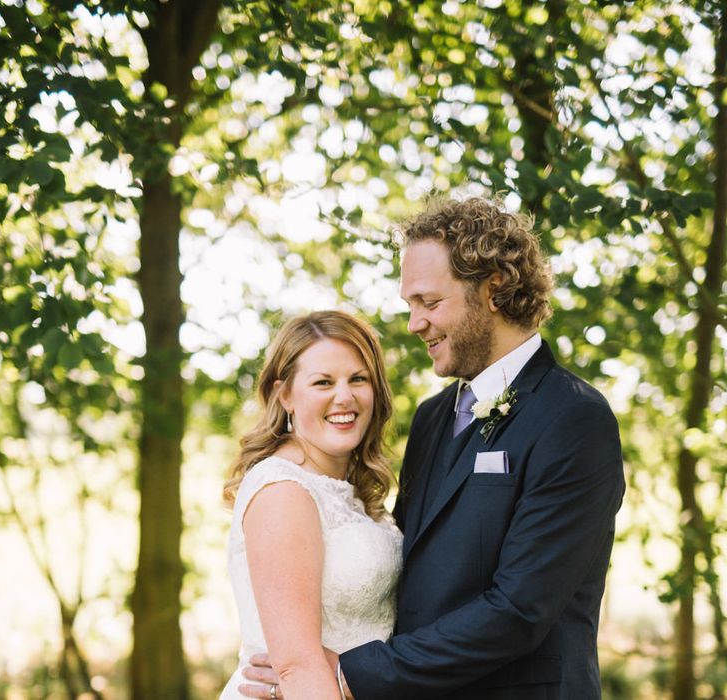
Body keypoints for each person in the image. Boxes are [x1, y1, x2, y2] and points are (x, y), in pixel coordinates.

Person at [240, 195, 625, 699]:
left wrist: (350, 674)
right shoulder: (433, 417)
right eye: (410, 305)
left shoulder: (574, 418)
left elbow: (519, 609)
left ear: (494, 289)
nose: (415, 323)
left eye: (430, 302)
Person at [220, 310, 403, 700]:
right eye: (323, 382)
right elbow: (296, 665)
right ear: (284, 394)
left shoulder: (352, 490)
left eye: (358, 379)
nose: (345, 397)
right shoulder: (282, 489)